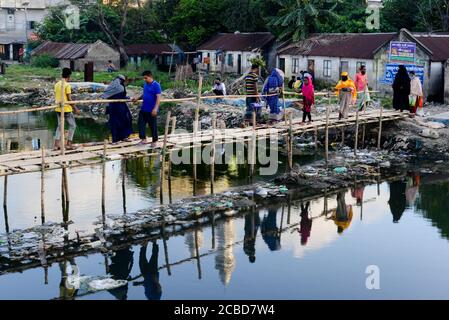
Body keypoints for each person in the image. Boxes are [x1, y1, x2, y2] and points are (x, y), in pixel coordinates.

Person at [132, 70, 162, 146]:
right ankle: (143, 139)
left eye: (146, 78)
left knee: (153, 125)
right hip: (144, 108)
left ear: (150, 77)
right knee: (140, 123)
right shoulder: (145, 84)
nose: (144, 80)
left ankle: (154, 141)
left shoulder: (156, 85)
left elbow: (158, 97)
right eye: (144, 78)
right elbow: (144, 94)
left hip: (152, 110)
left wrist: (155, 108)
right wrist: (137, 98)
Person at [54, 68, 80, 151]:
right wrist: (75, 109)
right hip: (66, 109)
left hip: (58, 108)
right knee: (72, 125)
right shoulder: (67, 85)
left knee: (60, 126)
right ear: (69, 76)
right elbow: (69, 99)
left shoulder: (57, 84)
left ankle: (56, 145)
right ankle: (69, 144)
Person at [102, 75, 133, 144]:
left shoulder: (113, 85)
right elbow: (118, 97)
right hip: (115, 107)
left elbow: (121, 96)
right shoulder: (119, 87)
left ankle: (123, 137)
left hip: (120, 106)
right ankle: (115, 139)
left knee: (126, 120)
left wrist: (126, 98)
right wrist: (126, 98)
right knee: (116, 123)